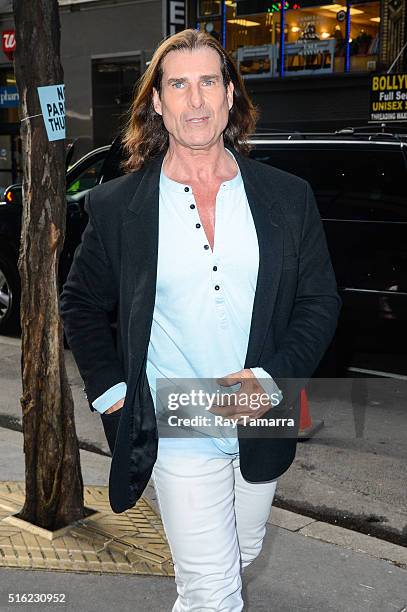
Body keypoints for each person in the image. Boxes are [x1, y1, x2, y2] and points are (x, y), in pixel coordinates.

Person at [60, 28, 341, 611]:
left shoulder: (286, 197)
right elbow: (80, 303)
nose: (195, 100)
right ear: (157, 103)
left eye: (208, 82)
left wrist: (272, 378)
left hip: (263, 410)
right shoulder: (118, 205)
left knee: (235, 556)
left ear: (230, 96)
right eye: (178, 84)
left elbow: (320, 302)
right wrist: (114, 392)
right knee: (214, 590)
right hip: (176, 419)